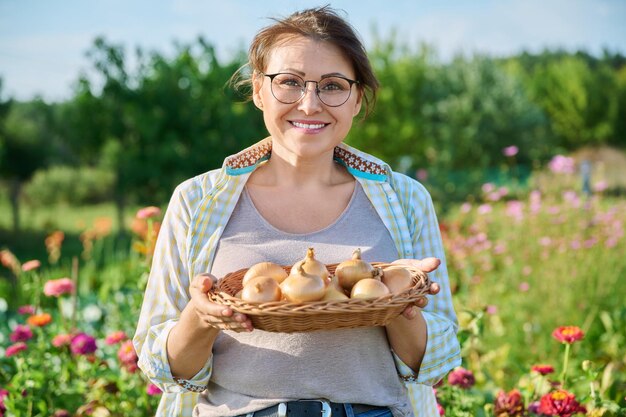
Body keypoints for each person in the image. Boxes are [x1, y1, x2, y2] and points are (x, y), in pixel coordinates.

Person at [133, 6, 461, 417]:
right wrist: (200, 318)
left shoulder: (406, 199)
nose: (309, 104)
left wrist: (398, 300)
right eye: (288, 82)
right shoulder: (197, 200)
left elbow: (433, 364)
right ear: (258, 90)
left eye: (333, 85)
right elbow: (165, 368)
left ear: (357, 98)